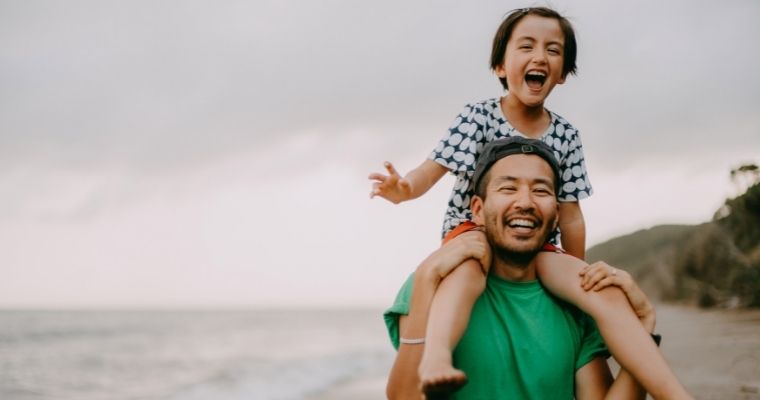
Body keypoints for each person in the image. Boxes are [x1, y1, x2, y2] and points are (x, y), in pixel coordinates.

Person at [369, 6, 684, 398]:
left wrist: (579, 276)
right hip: (468, 233)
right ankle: (436, 356)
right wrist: (404, 191)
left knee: (602, 293)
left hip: (541, 244)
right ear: (500, 66)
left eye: (553, 50)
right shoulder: (478, 116)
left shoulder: (566, 134)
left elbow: (570, 216)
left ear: (563, 73)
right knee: (467, 270)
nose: (540, 57)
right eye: (526, 46)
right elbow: (432, 169)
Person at [384, 138, 692, 399]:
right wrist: (425, 281)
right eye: (508, 189)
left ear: (556, 215)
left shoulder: (577, 304)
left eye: (541, 191)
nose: (526, 202)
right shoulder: (434, 286)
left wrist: (643, 326)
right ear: (477, 210)